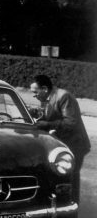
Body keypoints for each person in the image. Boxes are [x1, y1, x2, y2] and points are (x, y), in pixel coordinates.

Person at [30, 74, 91, 203]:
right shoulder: (48, 97)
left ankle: (71, 211)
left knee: (70, 178)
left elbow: (70, 123)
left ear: (45, 89)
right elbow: (49, 113)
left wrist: (47, 124)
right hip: (65, 144)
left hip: (76, 145)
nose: (33, 96)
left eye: (35, 92)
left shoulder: (63, 96)